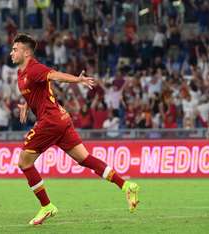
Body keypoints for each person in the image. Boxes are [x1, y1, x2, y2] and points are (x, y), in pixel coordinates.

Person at [10, 33, 140, 225]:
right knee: (84, 158)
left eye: (15, 49)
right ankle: (126, 185)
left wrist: (77, 80)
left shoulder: (35, 68)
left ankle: (46, 206)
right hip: (61, 119)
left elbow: (55, 76)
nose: (11, 52)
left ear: (26, 52)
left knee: (24, 162)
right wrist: (27, 105)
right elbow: (37, 91)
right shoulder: (21, 73)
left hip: (50, 121)